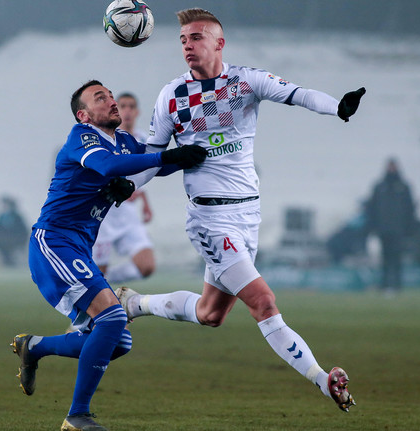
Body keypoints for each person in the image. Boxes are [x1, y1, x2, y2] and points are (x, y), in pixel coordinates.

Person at [118, 8, 365, 413]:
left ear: (219, 43)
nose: (187, 45)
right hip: (210, 220)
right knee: (264, 302)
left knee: (210, 313)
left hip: (248, 215)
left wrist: (337, 106)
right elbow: (151, 160)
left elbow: (299, 94)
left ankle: (134, 304)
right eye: (182, 39)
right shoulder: (172, 96)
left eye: (196, 37)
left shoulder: (245, 81)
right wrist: (130, 182)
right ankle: (323, 380)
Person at [10, 79, 207, 431]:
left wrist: (189, 154)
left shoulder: (125, 142)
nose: (112, 101)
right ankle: (77, 416)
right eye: (101, 98)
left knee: (119, 342)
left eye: (111, 95)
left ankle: (35, 346)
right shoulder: (81, 137)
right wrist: (166, 156)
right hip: (53, 243)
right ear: (84, 115)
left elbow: (151, 165)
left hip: (77, 248)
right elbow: (107, 166)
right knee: (113, 320)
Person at [93, 93, 156, 283]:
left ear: (137, 112)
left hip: (127, 214)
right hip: (104, 215)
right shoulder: (104, 137)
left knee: (147, 266)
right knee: (98, 271)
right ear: (116, 110)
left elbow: (142, 174)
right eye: (123, 106)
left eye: (131, 106)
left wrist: (145, 203)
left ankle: (107, 281)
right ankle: (98, 285)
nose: (127, 111)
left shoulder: (142, 139)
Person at [365, 158, 417, 292]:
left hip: (399, 230)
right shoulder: (379, 187)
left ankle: (397, 285)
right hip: (383, 229)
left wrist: (409, 229)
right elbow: (372, 209)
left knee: (397, 258)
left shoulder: (404, 187)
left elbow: (410, 209)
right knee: (385, 258)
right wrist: (373, 227)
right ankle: (384, 284)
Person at [0, 195, 29, 266]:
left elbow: (23, 230)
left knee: (8, 243)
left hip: (16, 239)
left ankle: (10, 260)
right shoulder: (1, 217)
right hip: (3, 240)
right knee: (0, 242)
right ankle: (7, 260)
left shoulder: (17, 217)